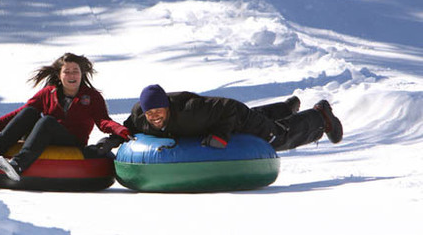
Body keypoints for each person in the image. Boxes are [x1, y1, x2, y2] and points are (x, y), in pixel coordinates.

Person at [0, 53, 130, 181]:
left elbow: (103, 121)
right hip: (45, 137)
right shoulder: (49, 92)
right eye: (66, 71)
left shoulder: (91, 97)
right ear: (59, 75)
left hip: (72, 142)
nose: (71, 75)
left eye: (75, 71)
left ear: (82, 73)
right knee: (29, 112)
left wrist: (120, 130)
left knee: (47, 121)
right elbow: (19, 114)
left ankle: (18, 165)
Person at [119, 84, 343, 151]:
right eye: (151, 113)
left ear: (168, 107)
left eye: (159, 112)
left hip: (234, 113)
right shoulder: (140, 116)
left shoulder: (190, 110)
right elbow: (127, 128)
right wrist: (111, 140)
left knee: (276, 138)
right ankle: (283, 109)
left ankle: (320, 117)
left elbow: (228, 111)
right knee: (261, 124)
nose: (155, 117)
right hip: (216, 117)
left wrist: (220, 135)